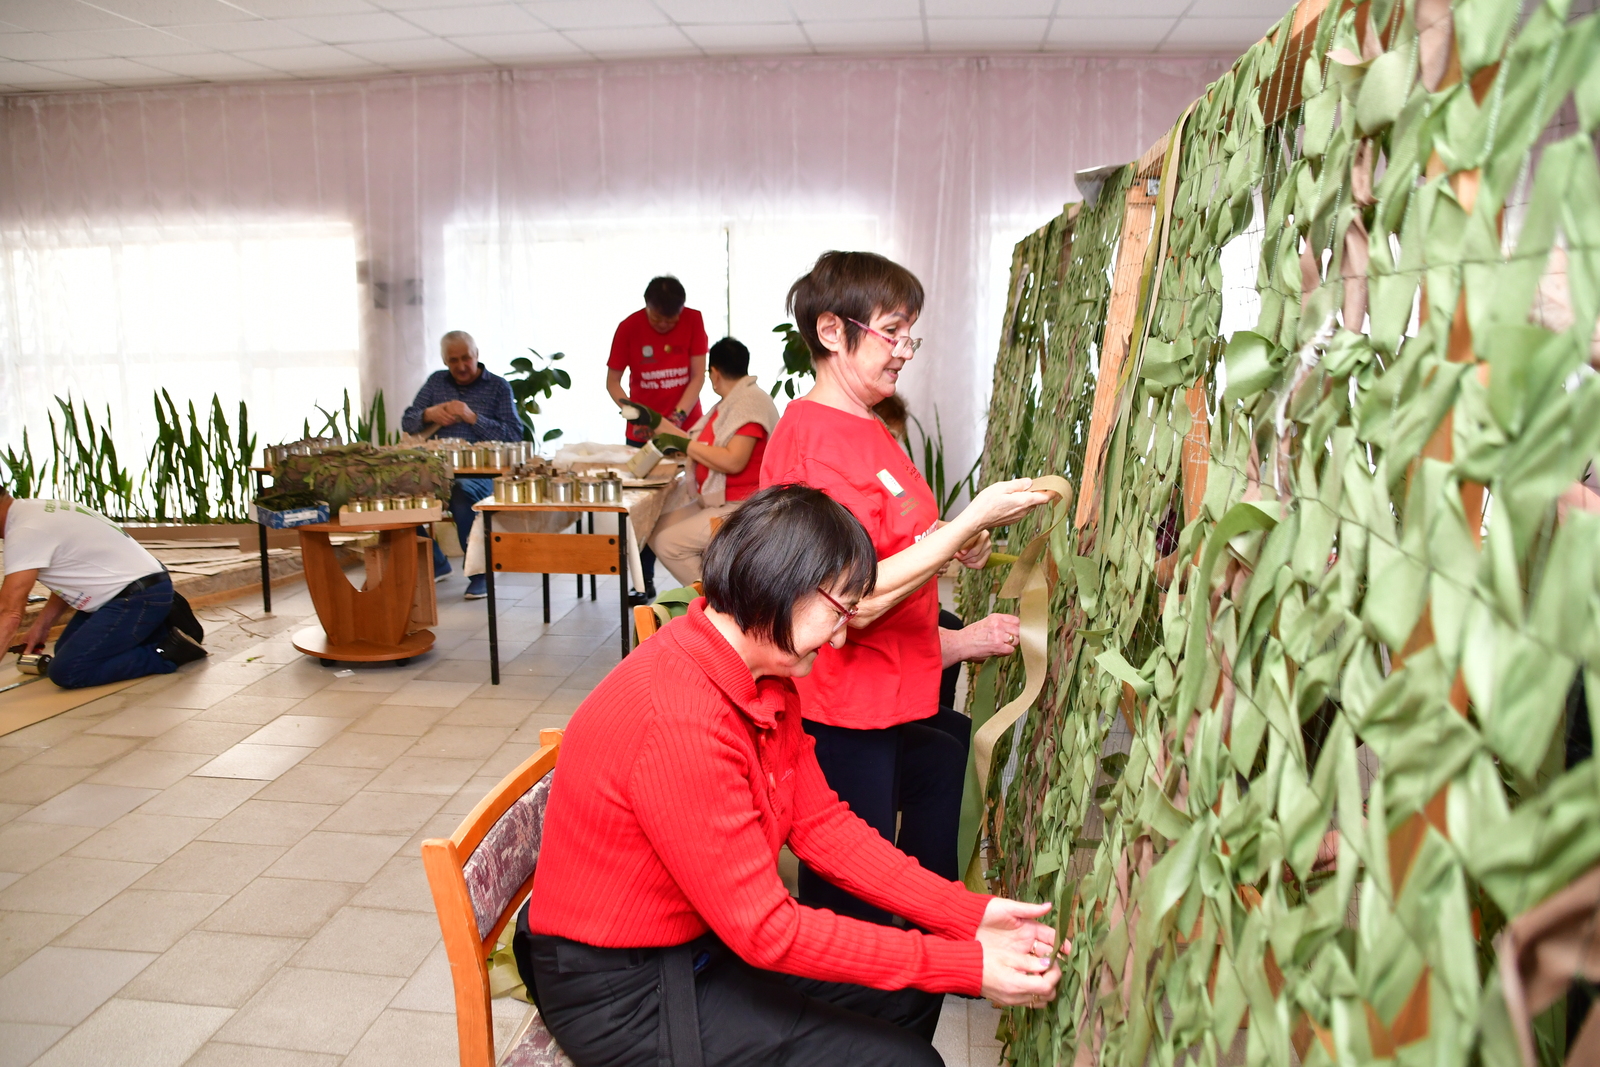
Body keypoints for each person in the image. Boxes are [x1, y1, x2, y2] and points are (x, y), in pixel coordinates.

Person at [516, 485, 1064, 1067]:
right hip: (622, 991)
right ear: (780, 586)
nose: (841, 636)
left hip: (701, 940)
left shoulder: (763, 676)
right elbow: (767, 932)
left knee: (908, 996)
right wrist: (967, 964)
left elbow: (825, 827)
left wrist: (966, 915)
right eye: (838, 611)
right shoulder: (678, 719)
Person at [761, 250, 1055, 925]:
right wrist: (970, 520)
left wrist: (960, 538)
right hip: (841, 702)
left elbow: (906, 536)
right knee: (849, 890)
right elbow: (848, 602)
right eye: (893, 332)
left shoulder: (870, 425)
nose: (905, 351)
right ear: (833, 331)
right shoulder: (812, 442)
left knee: (942, 763)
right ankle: (852, 1008)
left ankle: (935, 939)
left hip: (889, 693)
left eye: (909, 334)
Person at [0, 491, 207, 689]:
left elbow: (9, 613)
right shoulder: (36, 510)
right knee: (65, 650)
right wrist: (41, 627)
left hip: (136, 597)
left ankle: (166, 651)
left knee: (69, 670)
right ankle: (157, 627)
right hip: (135, 589)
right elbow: (70, 574)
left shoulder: (24, 532)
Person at [606, 275, 708, 600]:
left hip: (685, 430)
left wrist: (674, 418)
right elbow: (613, 382)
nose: (664, 325)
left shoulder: (694, 320)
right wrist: (633, 412)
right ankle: (642, 580)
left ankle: (705, 576)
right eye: (657, 318)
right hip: (642, 434)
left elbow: (697, 376)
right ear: (646, 306)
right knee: (643, 506)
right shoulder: (628, 327)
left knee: (688, 500)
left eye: (670, 319)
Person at [647, 336, 779, 586]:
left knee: (668, 544)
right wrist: (654, 421)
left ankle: (718, 601)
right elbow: (693, 444)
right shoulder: (730, 404)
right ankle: (711, 590)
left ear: (714, 373)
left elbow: (733, 461)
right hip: (718, 500)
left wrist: (685, 445)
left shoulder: (750, 403)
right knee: (656, 528)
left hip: (743, 506)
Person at [401, 330, 520, 600]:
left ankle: (479, 574)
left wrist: (471, 417)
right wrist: (428, 413)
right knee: (402, 497)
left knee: (461, 493)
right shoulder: (435, 383)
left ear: (476, 355)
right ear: (445, 361)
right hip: (435, 471)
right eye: (453, 360)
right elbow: (407, 422)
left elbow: (514, 434)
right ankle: (435, 561)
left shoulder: (498, 386)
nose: (461, 366)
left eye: (466, 358)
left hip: (482, 474)